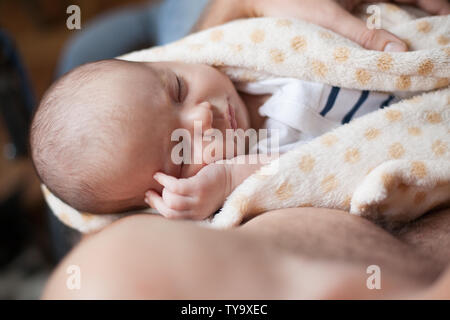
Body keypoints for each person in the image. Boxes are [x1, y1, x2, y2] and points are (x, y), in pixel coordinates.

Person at [42, 0, 450, 299]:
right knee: (86, 48)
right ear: (160, 199)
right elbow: (296, 172)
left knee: (91, 48)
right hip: (421, 128)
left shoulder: (250, 60)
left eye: (178, 89)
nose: (202, 118)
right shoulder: (243, 173)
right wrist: (226, 181)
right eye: (179, 152)